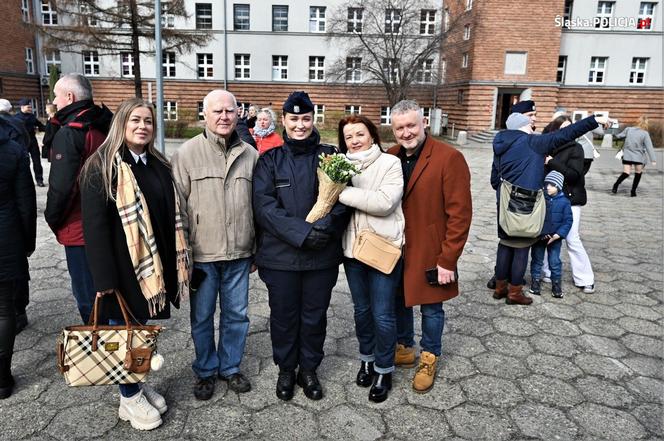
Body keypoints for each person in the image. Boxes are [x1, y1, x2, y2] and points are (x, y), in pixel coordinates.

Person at [80, 98, 189, 430]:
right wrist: (104, 280)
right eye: (135, 120)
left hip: (150, 270)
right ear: (121, 124)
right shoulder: (103, 166)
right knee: (124, 333)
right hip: (120, 271)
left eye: (148, 121)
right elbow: (95, 229)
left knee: (139, 331)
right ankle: (129, 398)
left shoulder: (156, 163)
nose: (143, 126)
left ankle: (135, 384)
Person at [253, 91, 351, 401]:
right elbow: (265, 207)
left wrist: (324, 227)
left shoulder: (331, 157)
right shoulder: (270, 160)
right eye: (294, 119)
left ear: (313, 119)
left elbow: (343, 200)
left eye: (305, 119)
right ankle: (286, 369)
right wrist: (303, 233)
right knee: (283, 316)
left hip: (320, 257)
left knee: (314, 316)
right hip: (280, 258)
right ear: (284, 120)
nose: (300, 125)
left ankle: (309, 369)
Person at [171, 90, 257, 401]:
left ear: (239, 113)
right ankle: (206, 370)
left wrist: (256, 247)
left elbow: (259, 206)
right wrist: (183, 253)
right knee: (202, 317)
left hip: (239, 254)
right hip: (203, 255)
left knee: (237, 315)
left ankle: (230, 367)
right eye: (217, 111)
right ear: (204, 115)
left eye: (230, 111)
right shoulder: (186, 153)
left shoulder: (251, 154)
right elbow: (177, 206)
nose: (224, 117)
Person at [386, 100, 472, 394]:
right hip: (397, 247)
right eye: (400, 128)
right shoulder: (391, 155)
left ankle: (429, 356)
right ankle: (405, 347)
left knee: (431, 308)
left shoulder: (449, 158)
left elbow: (460, 214)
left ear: (424, 123)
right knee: (400, 300)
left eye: (411, 125)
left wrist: (448, 259)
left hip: (431, 249)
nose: (406, 133)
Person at [491, 112, 608, 306]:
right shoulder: (532, 141)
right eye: (530, 122)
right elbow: (566, 134)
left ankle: (499, 288)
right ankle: (514, 293)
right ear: (523, 125)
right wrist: (595, 120)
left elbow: (494, 176)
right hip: (525, 202)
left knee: (505, 243)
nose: (532, 124)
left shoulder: (500, 142)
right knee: (521, 246)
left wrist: (502, 192)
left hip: (504, 201)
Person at [337, 115, 404, 402]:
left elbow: (384, 203)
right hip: (352, 251)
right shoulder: (338, 166)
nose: (354, 140)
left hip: (382, 249)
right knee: (362, 311)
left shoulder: (390, 163)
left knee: (383, 314)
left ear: (372, 135)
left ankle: (384, 368)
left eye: (359, 134)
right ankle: (366, 358)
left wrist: (343, 192)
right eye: (349, 136)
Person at [44, 73, 113, 323]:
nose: (54, 100)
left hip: (80, 228)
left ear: (70, 97)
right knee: (108, 291)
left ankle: (99, 351)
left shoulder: (71, 132)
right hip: (109, 223)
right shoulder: (105, 125)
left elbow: (63, 187)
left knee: (88, 297)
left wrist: (52, 219)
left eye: (57, 95)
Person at [538, 115, 596, 294]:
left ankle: (585, 278)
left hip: (570, 199)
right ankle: (546, 271)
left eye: (570, 127)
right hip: (549, 199)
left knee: (571, 238)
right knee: (547, 235)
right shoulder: (548, 145)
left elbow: (574, 175)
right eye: (564, 127)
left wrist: (551, 162)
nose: (568, 131)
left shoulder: (576, 148)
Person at [0, 117, 37, 399]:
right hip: (6, 237)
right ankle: (1, 377)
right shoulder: (13, 150)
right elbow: (26, 203)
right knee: (3, 310)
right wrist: (27, 243)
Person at [487, 99, 538, 290]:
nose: (534, 119)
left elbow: (495, 169)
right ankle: (510, 282)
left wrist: (499, 188)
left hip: (506, 194)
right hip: (523, 195)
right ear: (518, 119)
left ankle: (501, 278)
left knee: (507, 238)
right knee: (519, 240)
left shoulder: (504, 139)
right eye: (530, 116)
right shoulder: (526, 140)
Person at [529, 171, 572, 298]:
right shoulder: (541, 198)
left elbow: (568, 221)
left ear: (558, 186)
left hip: (555, 238)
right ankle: (535, 282)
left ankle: (556, 284)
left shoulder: (565, 202)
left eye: (552, 185)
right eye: (547, 184)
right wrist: (541, 233)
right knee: (537, 259)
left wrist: (558, 235)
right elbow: (536, 217)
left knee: (555, 261)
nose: (548, 187)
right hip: (540, 237)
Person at [612, 116, 657, 197]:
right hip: (638, 157)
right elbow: (649, 147)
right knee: (638, 173)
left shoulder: (628, 129)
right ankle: (633, 191)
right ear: (646, 124)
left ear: (637, 122)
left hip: (627, 155)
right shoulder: (645, 133)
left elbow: (619, 136)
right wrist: (653, 159)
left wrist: (613, 132)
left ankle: (615, 185)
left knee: (626, 173)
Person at [14, 98, 46, 187]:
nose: (30, 108)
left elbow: (41, 126)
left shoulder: (32, 117)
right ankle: (25, 182)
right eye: (28, 107)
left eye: (30, 107)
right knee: (24, 163)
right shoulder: (16, 118)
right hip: (22, 143)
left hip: (32, 142)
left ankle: (39, 179)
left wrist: (51, 127)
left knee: (37, 162)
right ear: (22, 107)